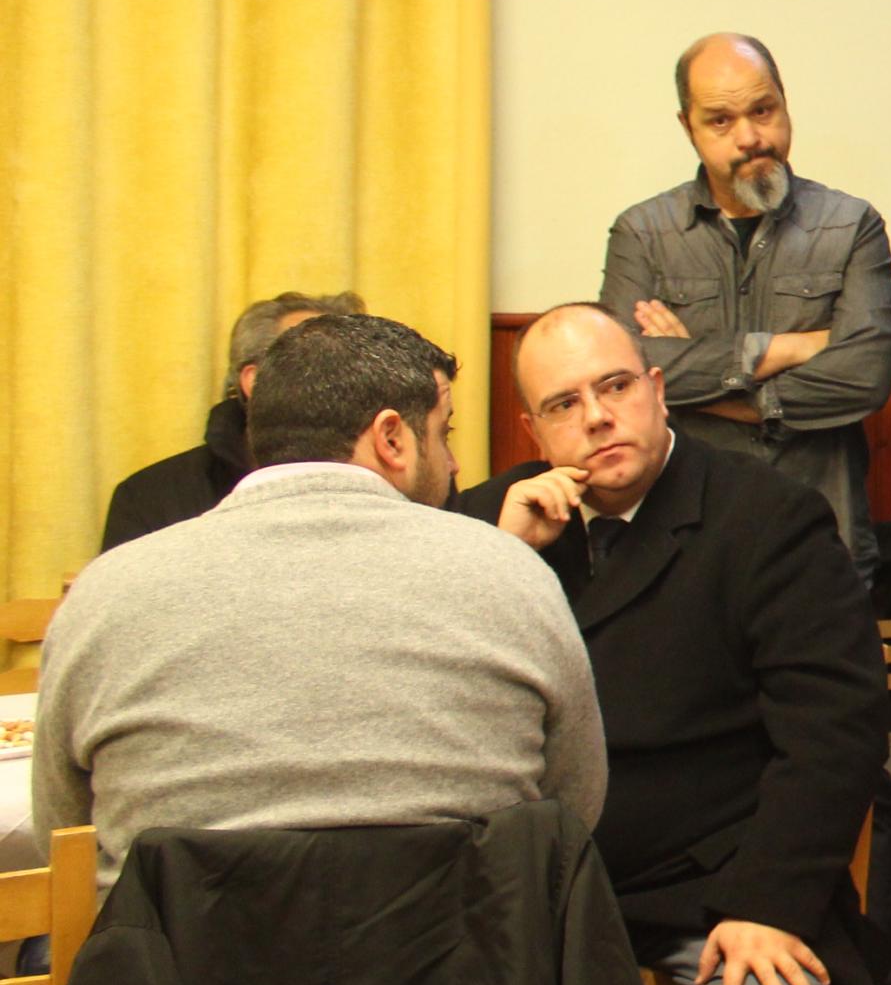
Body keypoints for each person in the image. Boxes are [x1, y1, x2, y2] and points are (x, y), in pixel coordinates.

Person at [460, 302, 891, 985]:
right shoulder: (490, 523)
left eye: (615, 387)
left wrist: (765, 906)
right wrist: (502, 559)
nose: (597, 416)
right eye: (564, 404)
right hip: (537, 878)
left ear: (657, 389)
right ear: (532, 428)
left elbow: (834, 733)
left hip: (713, 876)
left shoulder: (766, 516)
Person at [38, 313, 604, 892]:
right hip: (469, 945)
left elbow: (63, 836)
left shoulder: (103, 594)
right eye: (444, 433)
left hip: (177, 949)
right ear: (392, 439)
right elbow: (573, 808)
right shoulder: (516, 572)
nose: (455, 464)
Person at [600, 33, 891, 584]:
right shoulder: (642, 234)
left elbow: (865, 376)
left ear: (785, 103)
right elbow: (622, 378)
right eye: (720, 120)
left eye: (763, 110)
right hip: (684, 540)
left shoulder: (851, 225)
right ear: (687, 127)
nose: (750, 137)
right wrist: (787, 349)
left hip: (821, 535)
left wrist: (699, 381)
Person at [99, 288, 362, 549]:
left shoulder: (378, 484)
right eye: (321, 364)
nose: (348, 383)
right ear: (256, 381)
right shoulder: (150, 499)